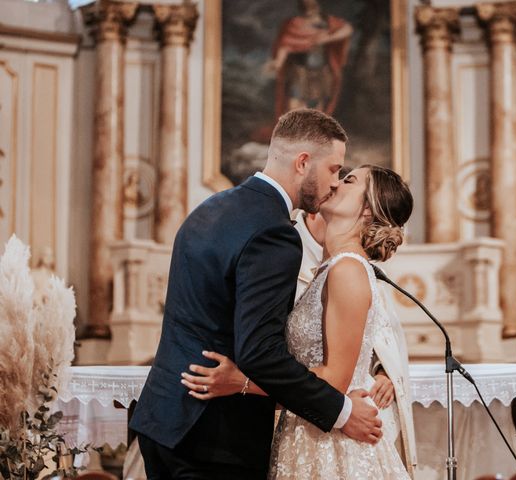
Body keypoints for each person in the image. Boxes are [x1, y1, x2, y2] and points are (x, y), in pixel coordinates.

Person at [129, 109, 382, 480]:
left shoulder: (211, 208)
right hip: (214, 438)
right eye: (334, 169)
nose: (335, 182)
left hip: (165, 420)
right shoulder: (274, 233)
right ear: (303, 162)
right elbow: (259, 353)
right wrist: (342, 411)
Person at [183, 165, 414, 478]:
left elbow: (335, 381)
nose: (335, 182)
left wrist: (243, 383)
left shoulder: (347, 271)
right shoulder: (331, 268)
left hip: (332, 446)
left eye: (349, 180)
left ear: (368, 210)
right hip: (310, 429)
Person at [292, 208, 418, 476]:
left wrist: (385, 372)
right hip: (302, 414)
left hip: (348, 415)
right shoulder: (287, 246)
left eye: (347, 180)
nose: (337, 183)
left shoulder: (351, 265)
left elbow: (383, 333)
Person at [268, 0, 352, 118]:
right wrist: (278, 62)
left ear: (318, 6)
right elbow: (285, 45)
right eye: (305, 6)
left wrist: (327, 38)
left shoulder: (327, 23)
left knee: (317, 107)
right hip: (299, 70)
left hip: (320, 71)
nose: (308, 10)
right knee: (294, 104)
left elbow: (347, 29)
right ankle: (296, 133)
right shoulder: (294, 23)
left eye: (311, 6)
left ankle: (311, 134)